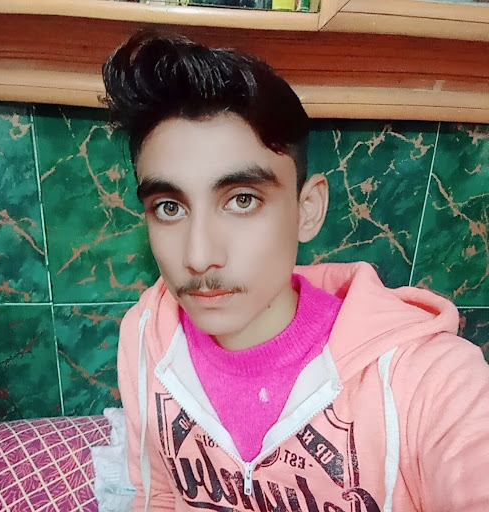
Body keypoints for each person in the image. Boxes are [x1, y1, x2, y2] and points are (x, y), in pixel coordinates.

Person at [102, 30, 489, 512]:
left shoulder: (430, 380)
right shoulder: (145, 335)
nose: (198, 257)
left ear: (308, 209)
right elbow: (158, 495)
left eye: (242, 200)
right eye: (169, 207)